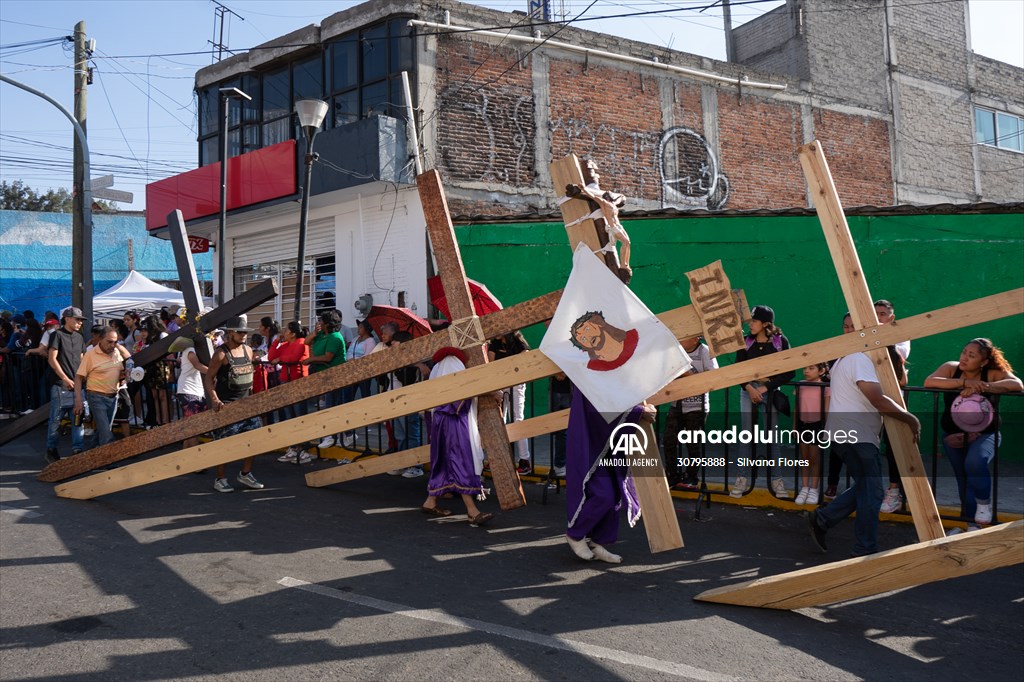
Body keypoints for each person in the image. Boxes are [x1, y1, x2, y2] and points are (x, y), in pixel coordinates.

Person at [807, 349, 920, 556]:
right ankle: (864, 548)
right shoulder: (859, 359)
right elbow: (877, 399)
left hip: (848, 433)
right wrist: (910, 418)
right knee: (873, 492)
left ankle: (823, 519)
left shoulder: (846, 358)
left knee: (867, 487)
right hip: (856, 435)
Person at [924, 338, 1021, 529]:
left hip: (985, 435)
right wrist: (963, 382)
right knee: (963, 479)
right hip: (953, 437)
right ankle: (971, 525)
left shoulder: (991, 373)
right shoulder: (951, 368)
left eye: (972, 355)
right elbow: (929, 381)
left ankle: (984, 504)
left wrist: (985, 386)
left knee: (974, 462)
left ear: (983, 361)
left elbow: (1017, 384)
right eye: (964, 352)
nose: (964, 358)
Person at [565, 389, 655, 564]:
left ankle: (598, 543)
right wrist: (639, 411)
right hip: (591, 444)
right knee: (603, 494)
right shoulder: (587, 372)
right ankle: (575, 534)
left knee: (614, 493)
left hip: (608, 445)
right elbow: (598, 407)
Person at [419, 347, 493, 526]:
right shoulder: (452, 363)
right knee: (459, 460)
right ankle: (472, 511)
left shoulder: (438, 368)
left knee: (443, 461)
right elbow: (458, 396)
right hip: (454, 421)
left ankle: (430, 501)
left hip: (442, 420)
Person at [730, 305, 795, 499]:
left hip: (770, 392)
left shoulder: (779, 342)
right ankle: (741, 480)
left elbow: (789, 372)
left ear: (766, 323)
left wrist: (765, 388)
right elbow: (738, 370)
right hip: (748, 392)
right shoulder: (745, 342)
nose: (751, 324)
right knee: (746, 436)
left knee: (771, 438)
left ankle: (777, 481)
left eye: (755, 321)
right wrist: (750, 388)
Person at [202, 315, 265, 493]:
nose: (243, 335)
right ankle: (220, 478)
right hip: (227, 406)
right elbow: (208, 378)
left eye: (245, 332)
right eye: (240, 332)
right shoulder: (221, 354)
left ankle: (245, 473)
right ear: (230, 333)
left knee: (253, 441)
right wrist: (214, 399)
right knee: (225, 445)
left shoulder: (248, 351)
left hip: (246, 405)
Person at [661, 335, 718, 489]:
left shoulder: (705, 352)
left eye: (685, 337)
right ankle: (672, 474)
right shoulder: (676, 352)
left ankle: (691, 475)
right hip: (677, 404)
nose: (681, 339)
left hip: (696, 406)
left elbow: (714, 378)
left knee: (693, 443)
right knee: (669, 440)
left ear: (695, 339)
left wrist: (687, 374)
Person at [874, 299, 911, 514]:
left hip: (894, 398)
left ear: (891, 317)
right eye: (875, 313)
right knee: (866, 444)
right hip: (868, 398)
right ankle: (867, 487)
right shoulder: (864, 336)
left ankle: (894, 491)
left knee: (894, 446)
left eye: (882, 313)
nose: (878, 317)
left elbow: (897, 357)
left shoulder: (900, 336)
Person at [75, 325, 131, 447]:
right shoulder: (90, 355)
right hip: (96, 396)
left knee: (104, 429)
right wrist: (78, 399)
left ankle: (89, 455)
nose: (112, 345)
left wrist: (124, 374)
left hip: (113, 397)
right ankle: (110, 461)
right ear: (100, 340)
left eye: (115, 342)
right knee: (106, 432)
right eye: (109, 342)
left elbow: (121, 369)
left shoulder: (116, 352)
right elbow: (79, 377)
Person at [44, 307, 87, 463]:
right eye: (77, 319)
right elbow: (52, 359)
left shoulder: (80, 337)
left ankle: (78, 450)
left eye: (81, 320)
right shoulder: (57, 335)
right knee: (56, 419)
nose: (80, 322)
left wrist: (80, 379)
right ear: (67, 318)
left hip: (77, 385)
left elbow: (82, 359)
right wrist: (65, 378)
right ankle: (51, 449)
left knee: (78, 419)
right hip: (60, 386)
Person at [386, 331, 430, 477]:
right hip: (395, 399)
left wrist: (415, 363)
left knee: (411, 432)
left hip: (408, 400)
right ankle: (402, 463)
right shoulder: (395, 358)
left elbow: (409, 378)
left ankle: (415, 465)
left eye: (395, 340)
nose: (392, 342)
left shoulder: (413, 359)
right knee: (400, 434)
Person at [270, 321, 315, 464]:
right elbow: (271, 357)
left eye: (286, 330)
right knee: (291, 416)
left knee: (299, 415)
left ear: (293, 333)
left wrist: (280, 359)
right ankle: (295, 447)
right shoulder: (285, 345)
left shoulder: (302, 342)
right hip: (286, 381)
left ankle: (304, 449)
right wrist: (276, 341)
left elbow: (294, 357)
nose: (283, 332)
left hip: (298, 382)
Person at [489, 331, 532, 474]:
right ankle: (498, 459)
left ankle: (524, 461)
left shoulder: (517, 339)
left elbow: (526, 354)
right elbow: (491, 364)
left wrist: (509, 362)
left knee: (518, 419)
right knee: (500, 420)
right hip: (501, 383)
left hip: (517, 383)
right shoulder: (494, 343)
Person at [304, 309, 347, 451]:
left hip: (335, 376)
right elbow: (306, 341)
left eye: (321, 321)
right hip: (323, 376)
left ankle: (333, 436)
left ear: (328, 323)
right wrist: (315, 333)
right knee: (330, 405)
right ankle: (342, 435)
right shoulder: (322, 334)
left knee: (332, 406)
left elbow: (328, 357)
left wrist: (311, 359)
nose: (319, 323)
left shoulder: (335, 337)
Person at [794, 362, 830, 506]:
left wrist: (825, 429)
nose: (806, 371)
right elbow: (797, 407)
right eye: (805, 367)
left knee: (815, 458)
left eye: (811, 368)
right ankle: (804, 487)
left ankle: (814, 488)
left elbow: (826, 410)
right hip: (803, 425)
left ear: (821, 371)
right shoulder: (800, 385)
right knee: (805, 458)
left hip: (817, 426)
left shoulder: (825, 387)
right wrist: (795, 427)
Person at [176, 339, 209, 451]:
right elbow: (197, 365)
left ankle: (184, 457)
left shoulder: (193, 350)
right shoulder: (190, 350)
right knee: (193, 427)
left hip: (194, 390)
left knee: (190, 427)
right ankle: (197, 459)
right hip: (188, 390)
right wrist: (213, 372)